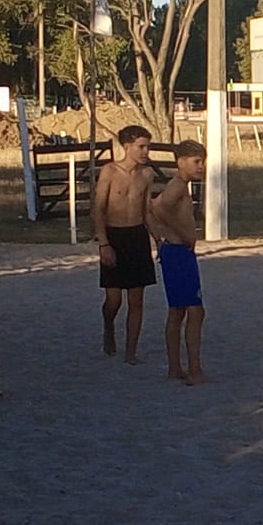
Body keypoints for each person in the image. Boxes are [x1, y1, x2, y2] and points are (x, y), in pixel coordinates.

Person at [93, 124, 157, 363]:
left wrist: (158, 239)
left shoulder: (147, 174)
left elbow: (147, 210)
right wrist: (104, 243)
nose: (145, 151)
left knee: (137, 299)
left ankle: (131, 351)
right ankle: (108, 326)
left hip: (137, 237)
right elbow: (99, 209)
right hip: (114, 235)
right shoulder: (109, 171)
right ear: (127, 146)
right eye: (141, 146)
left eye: (147, 147)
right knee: (114, 300)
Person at [147, 140, 207, 384]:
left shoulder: (181, 185)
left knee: (178, 311)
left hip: (176, 251)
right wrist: (181, 234)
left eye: (202, 161)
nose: (201, 167)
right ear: (181, 162)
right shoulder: (178, 185)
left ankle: (176, 366)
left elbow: (150, 207)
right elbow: (159, 210)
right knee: (195, 311)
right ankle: (193, 368)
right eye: (196, 162)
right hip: (178, 252)